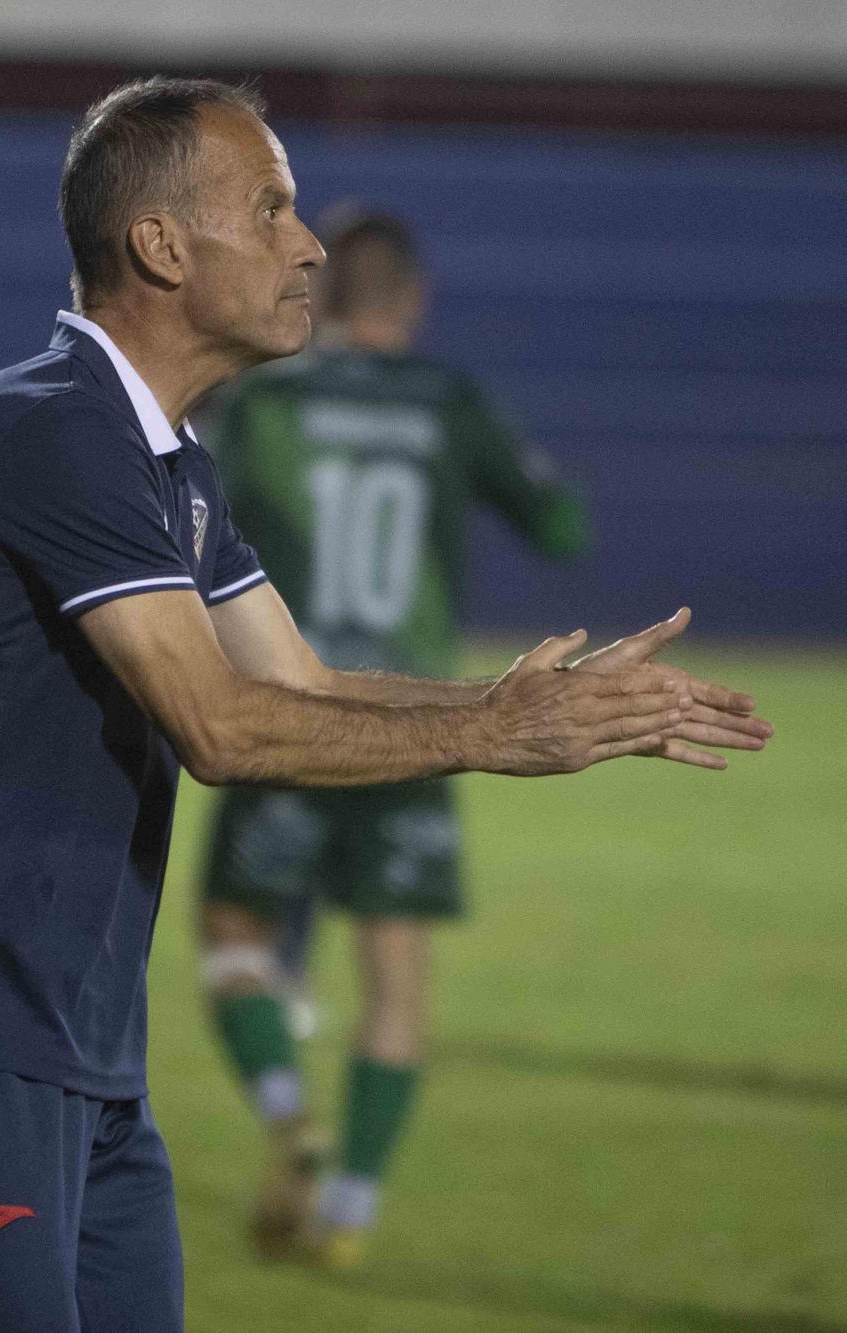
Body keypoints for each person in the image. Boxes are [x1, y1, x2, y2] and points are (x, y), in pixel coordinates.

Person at [0, 76, 773, 1333]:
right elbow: (217, 725)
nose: (307, 244)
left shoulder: (167, 459)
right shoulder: (47, 428)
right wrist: (489, 735)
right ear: (158, 244)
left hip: (79, 1040)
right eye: (267, 208)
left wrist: (519, 698)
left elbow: (295, 683)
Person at [193, 208, 592, 1269]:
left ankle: (289, 1122)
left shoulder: (262, 400)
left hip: (293, 714)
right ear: (411, 299)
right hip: (417, 725)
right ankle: (354, 1214)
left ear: (316, 297)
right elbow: (562, 527)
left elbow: (179, 518)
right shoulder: (452, 402)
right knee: (395, 977)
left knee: (235, 936)